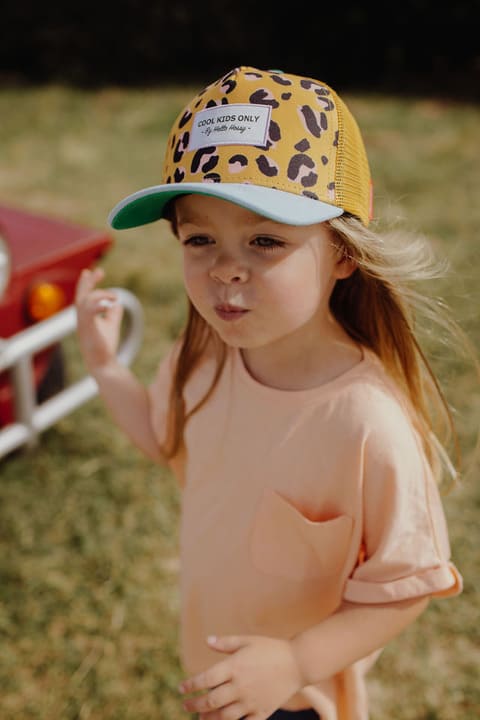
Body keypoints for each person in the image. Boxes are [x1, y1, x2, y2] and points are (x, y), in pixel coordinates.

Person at [75, 65, 466, 720]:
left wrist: (294, 664)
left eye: (265, 240)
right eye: (200, 239)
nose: (226, 267)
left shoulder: (367, 422)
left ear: (343, 253)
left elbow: (407, 585)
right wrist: (103, 364)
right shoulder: (207, 352)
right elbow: (163, 433)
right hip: (211, 660)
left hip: (296, 695)